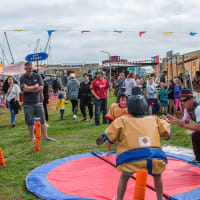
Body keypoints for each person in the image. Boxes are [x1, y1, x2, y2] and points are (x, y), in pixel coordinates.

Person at [97, 86, 171, 200]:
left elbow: (109, 132)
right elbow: (167, 133)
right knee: (157, 174)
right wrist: (167, 122)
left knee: (124, 177)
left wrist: (102, 137)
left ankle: (119, 198)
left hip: (130, 158)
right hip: (154, 157)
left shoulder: (122, 120)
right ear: (145, 106)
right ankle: (160, 198)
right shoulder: (154, 119)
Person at [20, 62, 55, 142]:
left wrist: (29, 88)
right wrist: (35, 87)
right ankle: (33, 137)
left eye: (31, 68)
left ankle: (45, 136)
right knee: (30, 121)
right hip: (27, 103)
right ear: (25, 69)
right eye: (29, 68)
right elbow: (23, 89)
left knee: (42, 120)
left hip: (38, 102)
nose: (30, 70)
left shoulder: (37, 76)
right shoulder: (23, 78)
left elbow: (41, 88)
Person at [166, 89, 200, 163]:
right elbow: (185, 121)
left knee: (196, 135)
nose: (182, 103)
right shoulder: (187, 109)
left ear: (191, 100)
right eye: (181, 101)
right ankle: (198, 158)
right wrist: (175, 121)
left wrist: (184, 125)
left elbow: (198, 127)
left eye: (184, 100)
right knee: (195, 135)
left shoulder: (198, 108)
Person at [104, 87, 129, 156]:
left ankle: (127, 151)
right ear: (118, 100)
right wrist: (110, 126)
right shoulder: (114, 106)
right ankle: (108, 152)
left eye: (125, 101)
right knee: (109, 136)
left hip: (125, 127)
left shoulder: (129, 108)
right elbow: (110, 117)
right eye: (121, 100)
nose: (123, 102)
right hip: (115, 125)